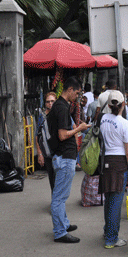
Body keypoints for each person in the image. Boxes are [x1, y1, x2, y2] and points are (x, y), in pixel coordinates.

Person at [47, 77, 91, 243]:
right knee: (59, 198)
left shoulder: (61, 106)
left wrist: (75, 126)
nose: (77, 96)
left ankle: (63, 224)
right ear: (70, 90)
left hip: (64, 156)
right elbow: (62, 135)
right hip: (64, 157)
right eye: (77, 93)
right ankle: (60, 232)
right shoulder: (61, 108)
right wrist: (79, 128)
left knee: (61, 196)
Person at [98, 90, 128, 248]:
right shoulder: (125, 124)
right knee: (115, 203)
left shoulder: (103, 119)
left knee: (108, 200)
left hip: (105, 162)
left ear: (108, 104)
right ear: (123, 105)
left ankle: (108, 231)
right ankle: (111, 239)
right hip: (119, 165)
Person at [36, 92, 57, 192]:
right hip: (48, 153)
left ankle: (58, 202)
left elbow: (72, 128)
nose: (50, 104)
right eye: (48, 102)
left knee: (60, 179)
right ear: (45, 103)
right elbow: (37, 135)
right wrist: (40, 153)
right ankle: (55, 202)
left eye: (52, 101)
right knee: (52, 179)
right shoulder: (42, 116)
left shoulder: (60, 113)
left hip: (59, 152)